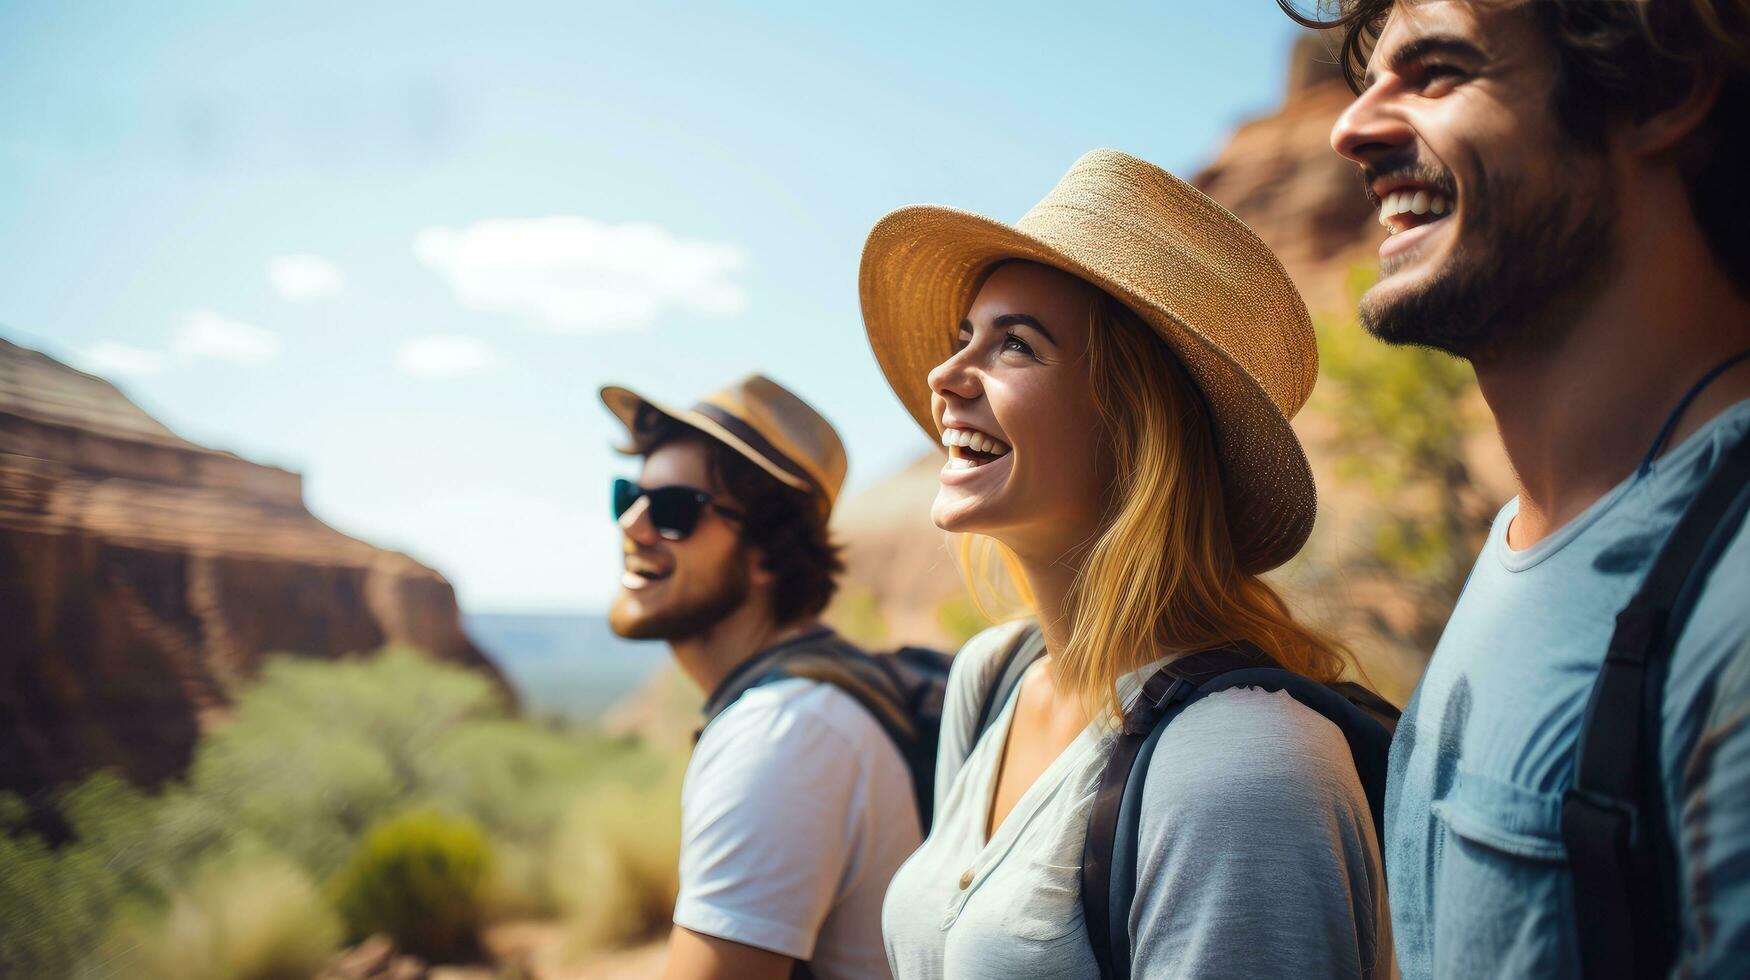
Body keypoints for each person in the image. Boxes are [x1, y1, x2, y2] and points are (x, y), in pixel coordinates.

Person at [1281, 0, 1750, 974]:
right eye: (1369, 79)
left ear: (1660, 88)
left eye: (1438, 71)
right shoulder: (1517, 541)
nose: (1349, 126)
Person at [861, 148, 1391, 979]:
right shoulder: (992, 678)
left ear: (1136, 428)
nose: (944, 374)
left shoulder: (1246, 770)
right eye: (965, 336)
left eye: (1015, 347)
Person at [602, 375, 921, 980]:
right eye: (627, 497)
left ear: (770, 551)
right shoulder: (810, 700)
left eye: (674, 510)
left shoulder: (779, 735)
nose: (633, 526)